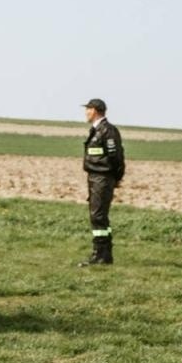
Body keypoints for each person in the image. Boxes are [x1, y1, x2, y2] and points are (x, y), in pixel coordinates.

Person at [79, 98, 124, 266]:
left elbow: (116, 157)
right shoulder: (96, 130)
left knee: (98, 216)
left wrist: (115, 178)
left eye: (88, 109)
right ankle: (103, 254)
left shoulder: (108, 131)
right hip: (95, 177)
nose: (85, 113)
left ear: (95, 110)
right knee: (97, 216)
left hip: (103, 177)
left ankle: (101, 254)